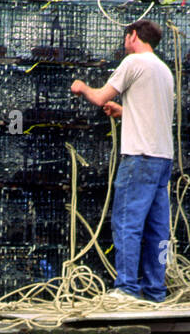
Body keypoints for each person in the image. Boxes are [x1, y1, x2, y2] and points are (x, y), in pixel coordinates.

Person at [70, 19, 174, 303]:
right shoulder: (164, 70)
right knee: (158, 230)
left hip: (139, 158)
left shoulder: (133, 63)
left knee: (127, 222)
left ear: (133, 36)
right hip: (163, 159)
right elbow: (154, 115)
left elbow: (100, 96)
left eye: (125, 36)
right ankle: (155, 292)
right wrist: (125, 111)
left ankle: (127, 288)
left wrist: (82, 88)